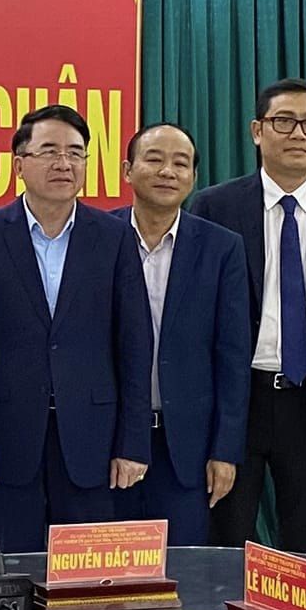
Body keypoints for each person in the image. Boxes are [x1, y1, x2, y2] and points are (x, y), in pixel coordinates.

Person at [0, 104, 153, 554]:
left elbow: (135, 344)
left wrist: (133, 441)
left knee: (84, 573)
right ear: (19, 164)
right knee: (13, 572)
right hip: (6, 441)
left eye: (75, 153)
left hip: (93, 439)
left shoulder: (114, 236)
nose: (64, 163)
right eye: (49, 151)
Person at [190, 79, 306, 555]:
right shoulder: (216, 206)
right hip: (238, 401)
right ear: (257, 131)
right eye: (284, 121)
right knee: (225, 542)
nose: (298, 133)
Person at [113, 123, 251, 547]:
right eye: (154, 159)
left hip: (187, 449)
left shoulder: (222, 248)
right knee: (107, 568)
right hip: (109, 443)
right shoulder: (98, 237)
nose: (167, 171)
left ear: (193, 177)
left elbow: (232, 357)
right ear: (127, 170)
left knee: (181, 570)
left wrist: (225, 450)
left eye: (180, 163)